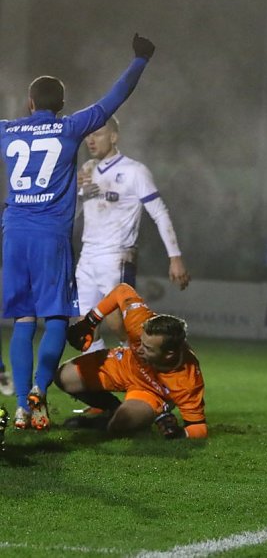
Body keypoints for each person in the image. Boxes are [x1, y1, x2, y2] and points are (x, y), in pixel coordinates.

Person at [1, 34, 155, 431]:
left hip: (14, 234)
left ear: (30, 103)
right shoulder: (70, 127)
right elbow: (114, 99)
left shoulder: (8, 130)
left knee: (22, 321)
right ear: (62, 105)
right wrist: (139, 60)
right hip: (50, 237)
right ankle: (39, 391)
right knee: (55, 318)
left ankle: (21, 406)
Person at [76, 115, 190, 352]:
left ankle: (140, 361)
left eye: (97, 134)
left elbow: (159, 213)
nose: (90, 140)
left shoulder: (134, 171)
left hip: (116, 255)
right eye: (88, 135)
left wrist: (175, 257)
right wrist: (76, 193)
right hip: (87, 255)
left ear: (114, 137)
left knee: (116, 321)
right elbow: (77, 212)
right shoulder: (87, 170)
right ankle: (101, 374)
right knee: (84, 326)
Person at [55, 283, 206, 439]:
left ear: (169, 354)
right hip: (125, 365)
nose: (139, 349)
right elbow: (121, 290)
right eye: (141, 341)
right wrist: (90, 322)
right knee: (62, 376)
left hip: (149, 393)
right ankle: (112, 408)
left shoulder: (188, 380)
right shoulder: (139, 321)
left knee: (121, 424)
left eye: (147, 348)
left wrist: (180, 433)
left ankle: (105, 422)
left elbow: (198, 426)